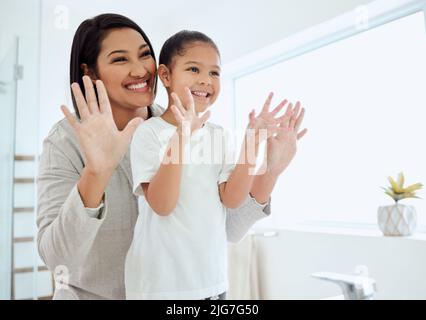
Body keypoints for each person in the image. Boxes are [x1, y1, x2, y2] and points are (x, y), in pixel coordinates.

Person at [36, 13, 307, 300]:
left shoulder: (197, 129)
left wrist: (270, 172)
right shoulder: (66, 141)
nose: (140, 69)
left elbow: (226, 227)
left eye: (144, 55)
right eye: (120, 59)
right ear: (89, 72)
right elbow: (57, 257)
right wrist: (97, 172)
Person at [125, 30, 303, 300]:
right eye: (194, 68)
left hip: (212, 283)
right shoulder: (148, 133)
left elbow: (232, 199)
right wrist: (182, 138)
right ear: (166, 76)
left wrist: (252, 144)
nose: (206, 80)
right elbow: (162, 205)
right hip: (159, 286)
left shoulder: (218, 136)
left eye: (214, 73)